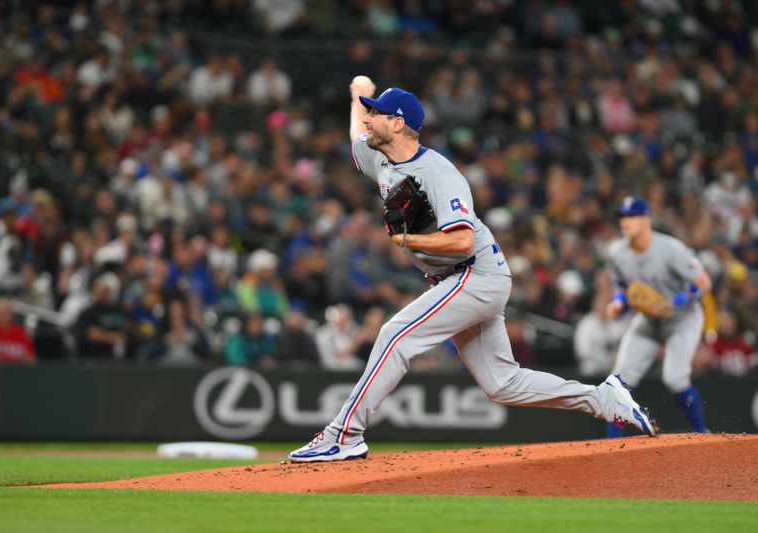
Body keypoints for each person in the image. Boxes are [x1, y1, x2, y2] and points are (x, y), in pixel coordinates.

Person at [288, 78, 657, 462]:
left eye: (376, 112)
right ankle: (603, 398)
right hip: (458, 280)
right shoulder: (379, 157)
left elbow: (462, 241)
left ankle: (344, 434)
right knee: (503, 384)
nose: (368, 119)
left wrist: (408, 241)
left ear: (397, 124)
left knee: (394, 336)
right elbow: (353, 137)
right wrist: (355, 95)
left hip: (476, 273)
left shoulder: (439, 174)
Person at [605, 196, 713, 436]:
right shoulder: (616, 252)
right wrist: (618, 303)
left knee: (675, 379)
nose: (626, 221)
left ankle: (701, 434)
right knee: (618, 383)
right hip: (649, 320)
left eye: (631, 216)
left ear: (647, 219)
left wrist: (675, 302)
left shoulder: (671, 249)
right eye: (623, 216)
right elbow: (623, 285)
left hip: (682, 319)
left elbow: (703, 282)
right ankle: (611, 446)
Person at [0, 298, 36, 364]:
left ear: (11, 314)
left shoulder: (20, 332)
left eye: (6, 312)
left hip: (18, 371)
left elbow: (31, 357)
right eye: (1, 313)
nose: (4, 316)